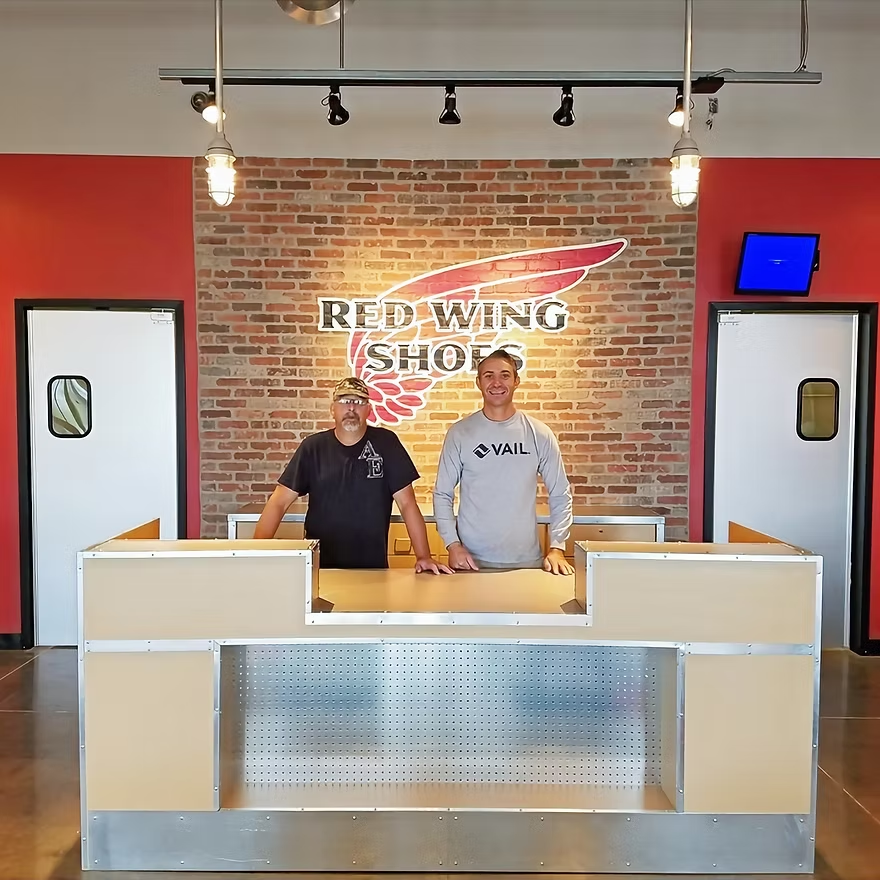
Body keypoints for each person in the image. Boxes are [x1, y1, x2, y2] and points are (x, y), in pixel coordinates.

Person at [254, 377, 452, 574]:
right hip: (319, 568)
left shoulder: (386, 443)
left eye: (358, 402)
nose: (351, 408)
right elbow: (279, 501)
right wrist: (256, 550)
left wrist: (423, 556)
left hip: (372, 569)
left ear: (369, 409)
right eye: (344, 401)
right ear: (333, 408)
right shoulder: (313, 448)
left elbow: (407, 504)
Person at [433, 349, 574, 575]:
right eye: (489, 376)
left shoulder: (539, 433)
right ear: (478, 382)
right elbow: (442, 494)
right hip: (470, 563)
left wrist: (557, 546)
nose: (496, 382)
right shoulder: (460, 433)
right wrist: (453, 544)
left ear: (516, 381)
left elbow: (560, 493)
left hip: (527, 564)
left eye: (505, 375)